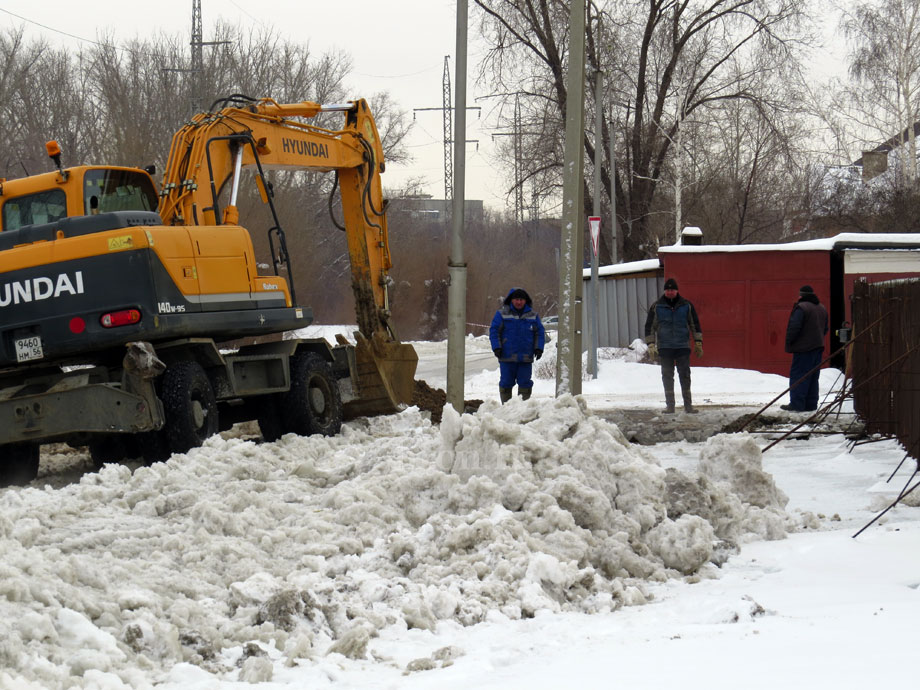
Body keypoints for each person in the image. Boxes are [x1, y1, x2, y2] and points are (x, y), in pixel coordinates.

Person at [644, 278, 703, 414]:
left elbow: (695, 324)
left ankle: (688, 406)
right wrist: (651, 344)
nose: (670, 292)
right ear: (665, 291)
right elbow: (649, 327)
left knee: (685, 375)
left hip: (682, 346)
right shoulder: (656, 306)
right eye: (668, 290)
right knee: (667, 376)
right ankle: (670, 406)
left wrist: (698, 342)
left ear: (677, 291)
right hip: (665, 348)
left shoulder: (687, 306)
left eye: (672, 290)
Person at [489, 287, 546, 403]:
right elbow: (494, 331)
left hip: (525, 357)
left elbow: (539, 333)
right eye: (516, 299)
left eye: (521, 300)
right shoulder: (501, 314)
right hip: (506, 356)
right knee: (506, 383)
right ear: (511, 300)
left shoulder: (533, 315)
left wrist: (539, 348)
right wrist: (497, 347)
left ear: (525, 301)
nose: (519, 302)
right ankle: (506, 408)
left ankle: (523, 410)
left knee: (525, 383)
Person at [782, 285, 828, 412]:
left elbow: (794, 327)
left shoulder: (801, 308)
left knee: (799, 376)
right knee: (813, 376)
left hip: (803, 349)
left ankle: (797, 404)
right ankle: (811, 404)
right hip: (818, 347)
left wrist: (790, 341)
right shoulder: (822, 308)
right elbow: (825, 328)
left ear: (801, 296)